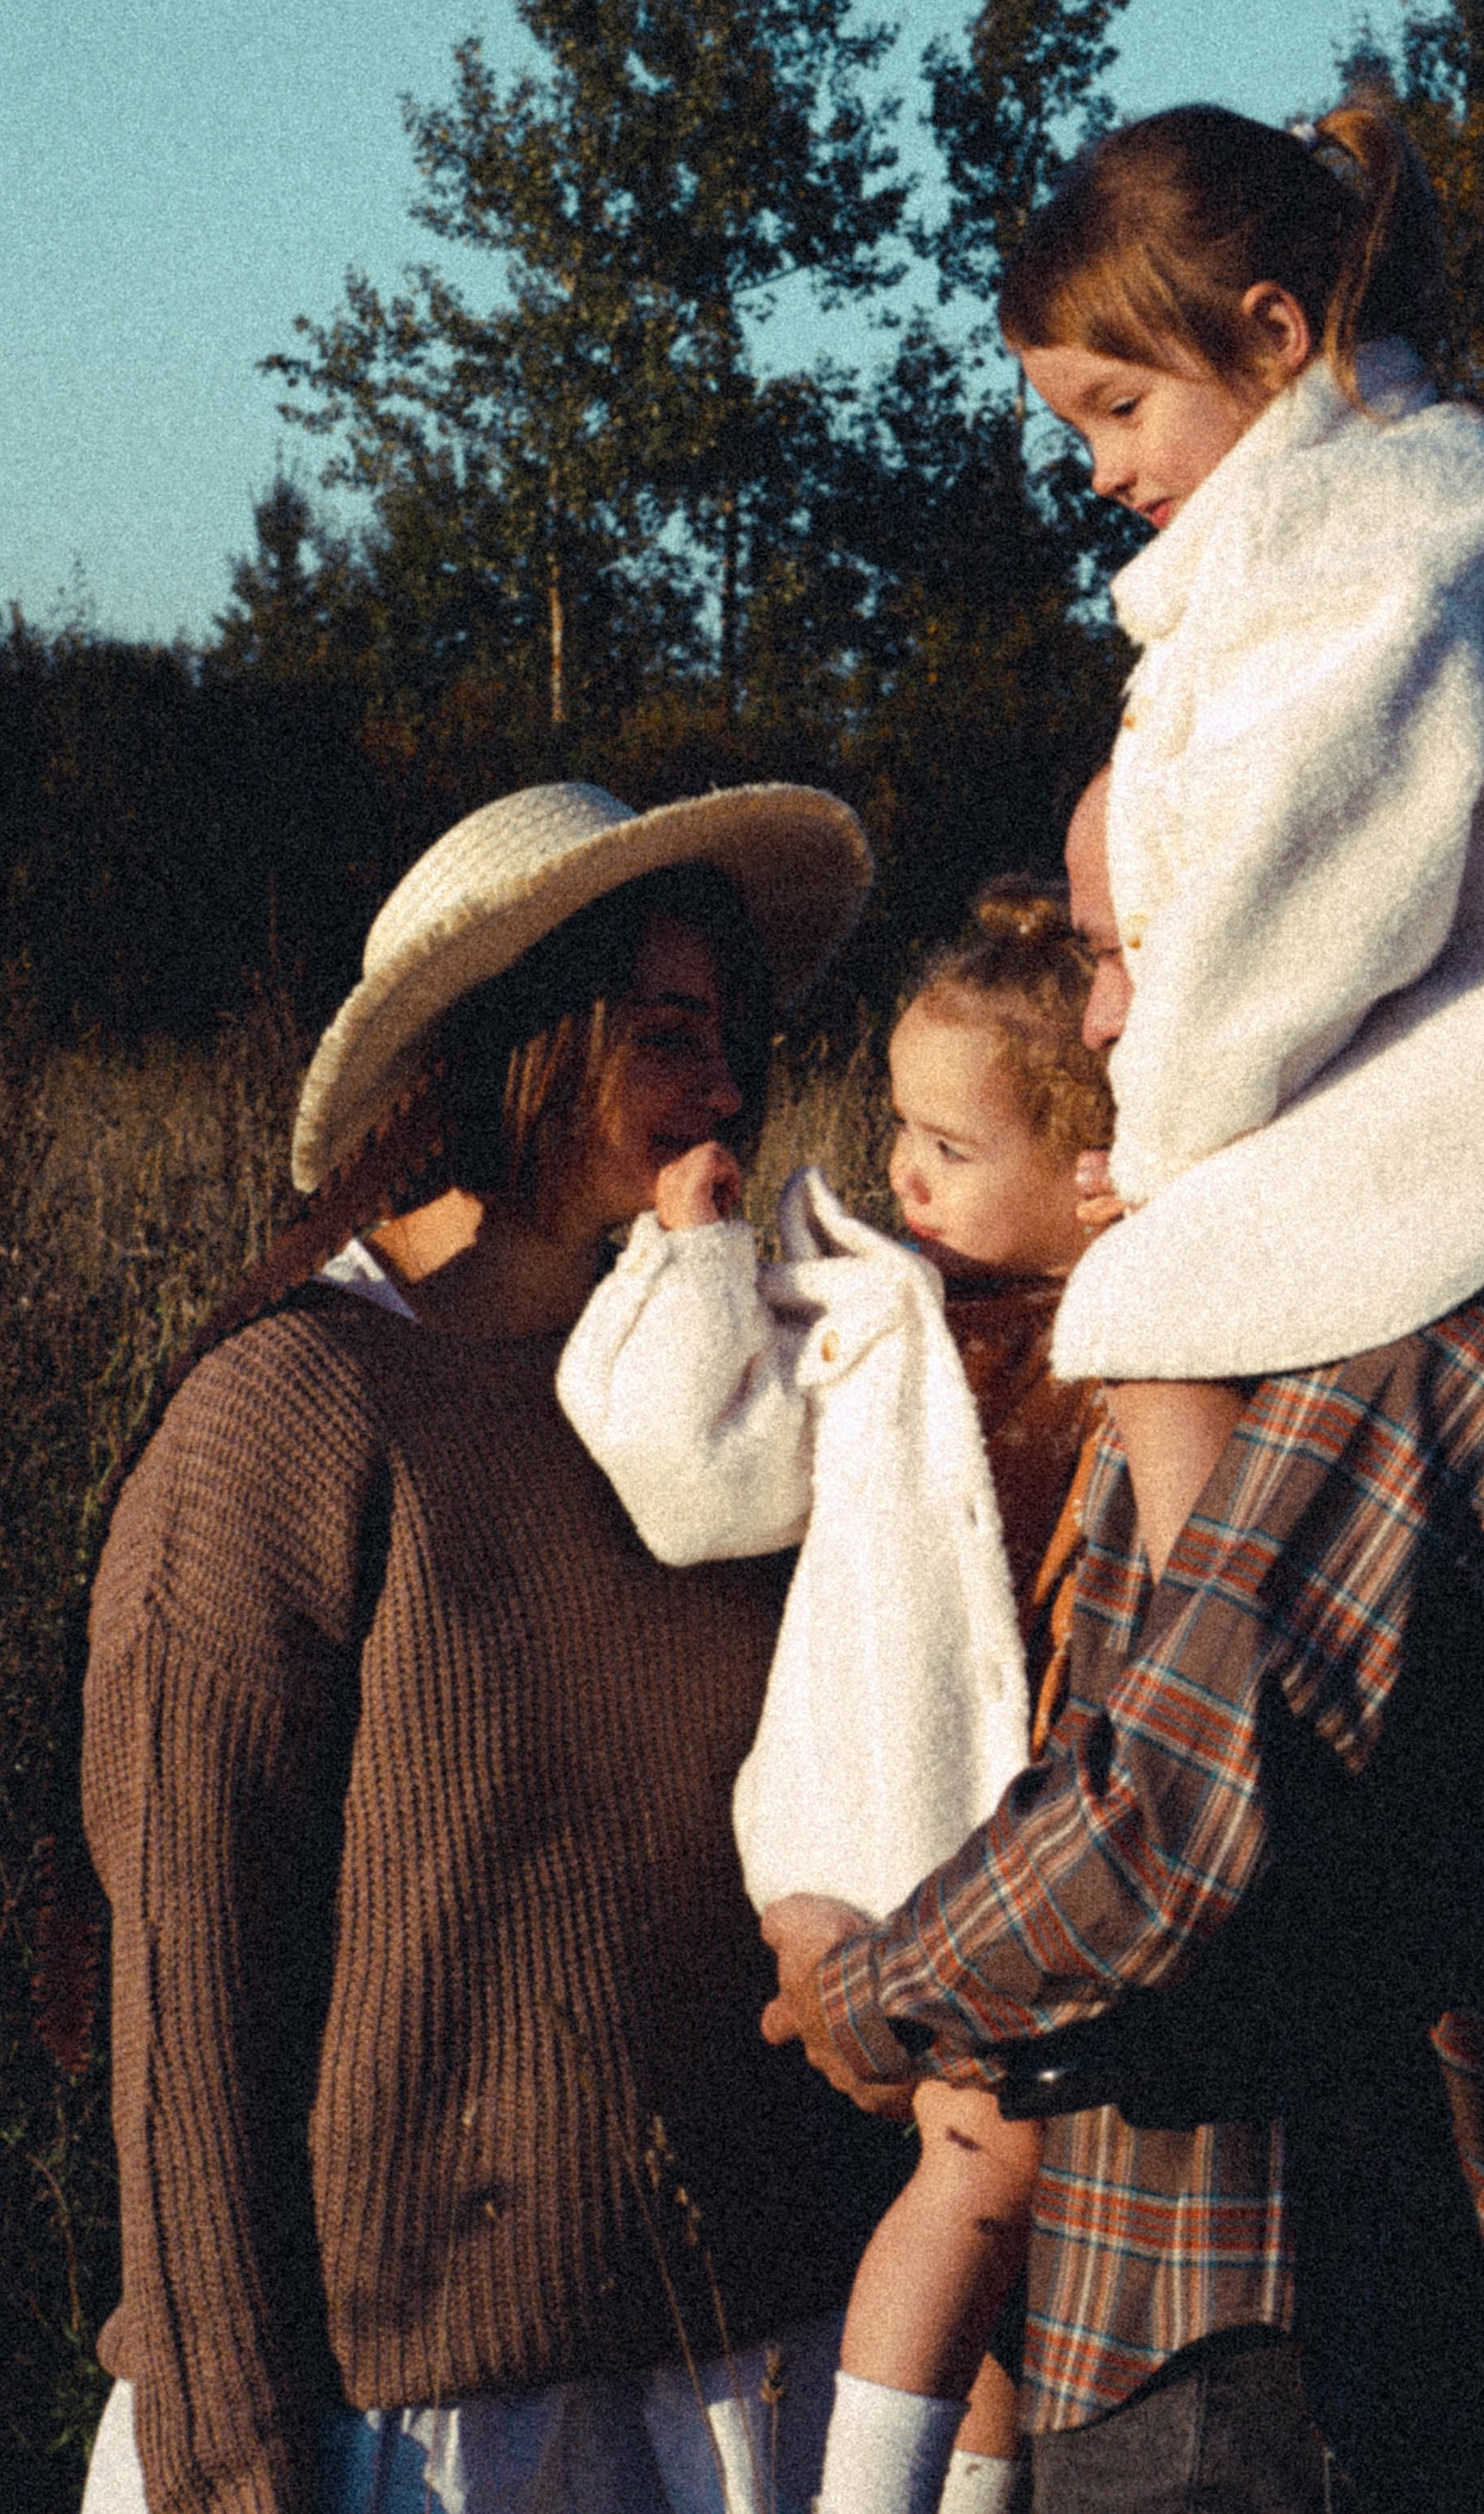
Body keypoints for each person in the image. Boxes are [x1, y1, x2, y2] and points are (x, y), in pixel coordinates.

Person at [760, 99, 1484, 2512]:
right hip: (1244, 2313)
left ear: (1268, 340)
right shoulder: (1449, 1294)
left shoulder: (1442, 1327)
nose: (1120, 1018)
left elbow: (1177, 1803)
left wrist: (874, 1989)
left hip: (1274, 2328)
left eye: (1129, 958)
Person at [76, 777, 901, 2514]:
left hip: (747, 2373)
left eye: (732, 1033)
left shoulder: (727, 1391)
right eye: (667, 1033)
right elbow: (187, 1993)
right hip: (424, 2421)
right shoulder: (290, 1415)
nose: (729, 1087)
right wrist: (225, 2461)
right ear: (521, 1038)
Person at [559, 883, 1118, 2514]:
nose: (901, 1173)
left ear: (1086, 1171)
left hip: (1060, 1847)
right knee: (983, 2163)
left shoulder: (1145, 1314)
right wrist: (700, 1249)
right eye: (895, 1125)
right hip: (889, 1821)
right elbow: (691, 1473)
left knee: (1045, 2210)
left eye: (950, 1146)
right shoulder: (870, 1296)